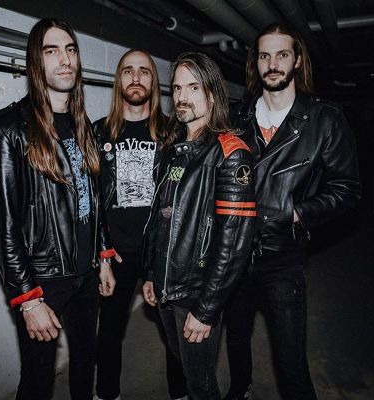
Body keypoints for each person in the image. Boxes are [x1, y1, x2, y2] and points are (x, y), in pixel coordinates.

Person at [223, 23, 361, 400]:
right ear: (256, 63)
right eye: (264, 56)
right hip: (234, 252)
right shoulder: (235, 118)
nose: (273, 64)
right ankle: (240, 388)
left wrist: (295, 212)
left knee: (290, 363)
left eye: (282, 54)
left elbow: (347, 188)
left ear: (297, 60)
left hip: (283, 256)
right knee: (236, 335)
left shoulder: (324, 119)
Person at [0, 18, 116, 400]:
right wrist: (28, 298)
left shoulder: (82, 125)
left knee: (85, 362)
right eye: (51, 51)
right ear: (35, 63)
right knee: (38, 380)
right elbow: (2, 225)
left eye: (70, 50)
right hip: (43, 280)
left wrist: (102, 255)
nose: (65, 59)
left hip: (86, 274)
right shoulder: (9, 128)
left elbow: (92, 199)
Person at [142, 52, 257, 400]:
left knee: (201, 384)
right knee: (185, 367)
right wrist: (151, 274)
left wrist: (206, 309)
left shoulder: (231, 153)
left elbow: (234, 244)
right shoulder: (172, 147)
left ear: (212, 94)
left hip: (196, 292)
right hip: (167, 286)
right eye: (177, 88)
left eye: (193, 87)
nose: (182, 96)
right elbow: (160, 217)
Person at [92, 49, 187, 400]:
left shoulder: (174, 133)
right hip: (115, 254)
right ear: (118, 80)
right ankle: (107, 394)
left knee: (173, 333)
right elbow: (92, 199)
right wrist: (102, 252)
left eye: (144, 71)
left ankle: (181, 393)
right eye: (128, 71)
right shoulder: (98, 132)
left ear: (154, 81)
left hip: (161, 252)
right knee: (109, 332)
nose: (135, 78)